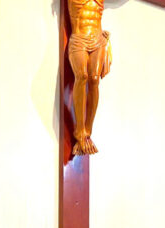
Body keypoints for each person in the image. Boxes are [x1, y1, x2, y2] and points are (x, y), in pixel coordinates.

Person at [67, 0, 113, 156]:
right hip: (79, 39)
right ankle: (79, 130)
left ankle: (87, 132)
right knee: (82, 76)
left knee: (94, 79)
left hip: (98, 40)